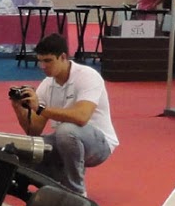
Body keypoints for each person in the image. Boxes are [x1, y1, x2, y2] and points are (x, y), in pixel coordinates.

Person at [8, 32, 118, 197]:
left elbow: (81, 117)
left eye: (48, 61)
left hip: (99, 144)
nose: (43, 66)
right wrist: (18, 107)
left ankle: (77, 191)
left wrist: (40, 108)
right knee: (29, 147)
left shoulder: (87, 76)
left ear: (63, 57)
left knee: (66, 131)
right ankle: (55, 181)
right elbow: (34, 130)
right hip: (66, 141)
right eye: (40, 61)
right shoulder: (47, 84)